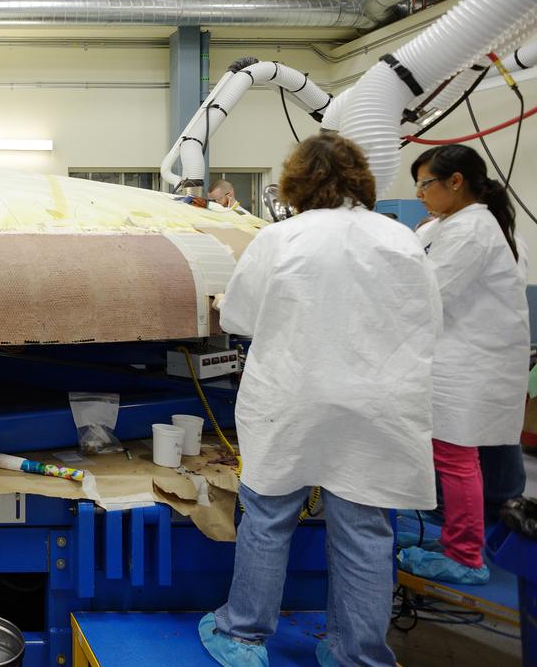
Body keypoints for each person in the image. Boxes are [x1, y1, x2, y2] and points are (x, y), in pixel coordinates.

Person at [199, 133, 441, 667]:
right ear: (362, 181)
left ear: (296, 183)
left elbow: (239, 318)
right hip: (377, 406)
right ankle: (356, 654)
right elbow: (429, 321)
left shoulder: (280, 238)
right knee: (365, 534)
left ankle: (243, 636)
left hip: (293, 398)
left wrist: (226, 300)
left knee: (267, 517)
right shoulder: (402, 240)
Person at [398, 144, 530, 585]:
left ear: (456, 182)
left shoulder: (471, 229)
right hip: (463, 359)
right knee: (455, 456)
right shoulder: (454, 224)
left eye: (425, 184)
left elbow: (426, 295)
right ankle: (457, 536)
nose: (419, 194)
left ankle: (465, 555)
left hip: (468, 364)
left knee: (456, 458)